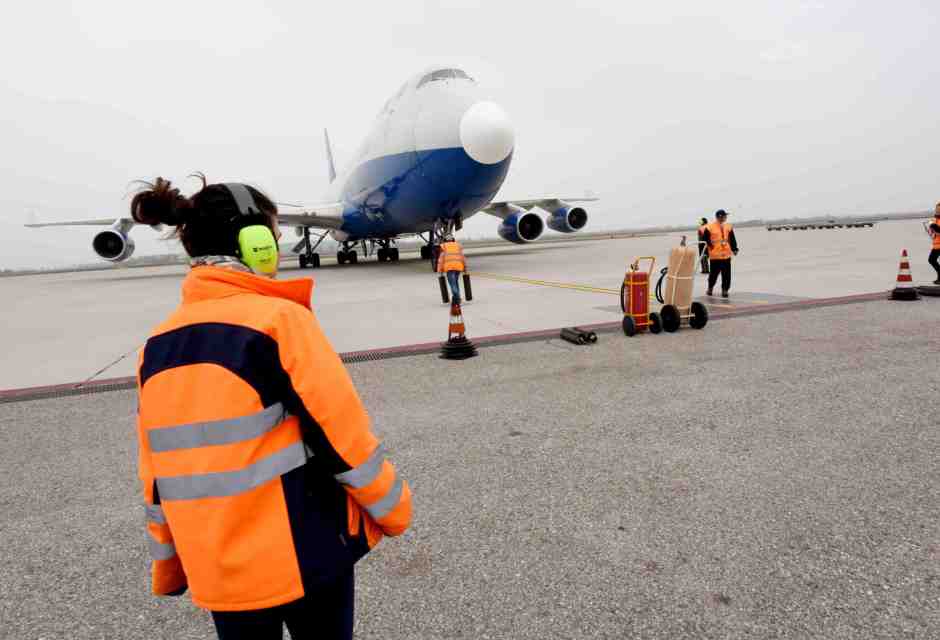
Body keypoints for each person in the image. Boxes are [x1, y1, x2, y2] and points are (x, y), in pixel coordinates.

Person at [131, 176, 412, 640]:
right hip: (304, 558)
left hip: (217, 569)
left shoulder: (156, 346)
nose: (278, 247)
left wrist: (168, 564)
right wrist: (394, 508)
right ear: (254, 242)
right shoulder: (280, 322)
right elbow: (342, 436)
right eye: (274, 236)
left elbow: (156, 473)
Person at [702, 209, 739, 297]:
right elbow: (705, 240)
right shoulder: (709, 227)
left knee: (726, 274)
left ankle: (725, 290)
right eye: (724, 216)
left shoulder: (728, 227)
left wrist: (734, 249)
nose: (726, 217)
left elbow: (732, 239)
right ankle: (710, 288)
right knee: (713, 275)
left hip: (726, 255)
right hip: (715, 255)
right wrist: (706, 252)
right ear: (720, 217)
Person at [437, 233, 467, 303]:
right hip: (458, 267)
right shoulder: (457, 245)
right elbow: (462, 257)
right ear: (453, 239)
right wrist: (465, 268)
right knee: (455, 283)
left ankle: (457, 297)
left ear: (445, 240)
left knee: (453, 284)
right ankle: (457, 297)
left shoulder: (443, 246)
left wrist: (440, 270)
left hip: (449, 268)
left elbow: (441, 260)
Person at [927, 203, 940, 284]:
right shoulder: (935, 220)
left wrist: (934, 228)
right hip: (936, 245)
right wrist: (931, 229)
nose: (937, 211)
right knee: (931, 260)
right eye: (937, 209)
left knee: (932, 260)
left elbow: (938, 231)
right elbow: (933, 232)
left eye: (939, 209)